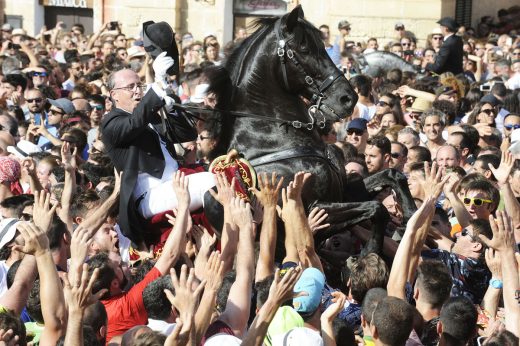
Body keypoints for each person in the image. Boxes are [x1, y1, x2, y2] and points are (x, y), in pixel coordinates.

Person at [100, 53, 214, 246]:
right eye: (130, 87)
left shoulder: (148, 115)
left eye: (140, 85)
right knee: (212, 181)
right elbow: (134, 123)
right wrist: (159, 86)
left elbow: (187, 134)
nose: (138, 91)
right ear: (114, 95)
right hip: (150, 196)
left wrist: (170, 108)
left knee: (222, 174)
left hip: (174, 182)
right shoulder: (111, 122)